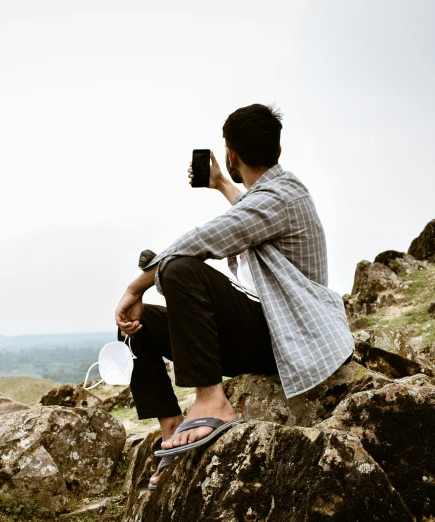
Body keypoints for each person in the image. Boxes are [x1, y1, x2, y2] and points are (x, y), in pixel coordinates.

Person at [114, 104, 354, 489]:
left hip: (285, 336)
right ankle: (170, 426)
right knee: (136, 326)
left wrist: (134, 287)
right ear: (277, 150)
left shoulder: (282, 197)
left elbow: (205, 239)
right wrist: (224, 184)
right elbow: (251, 211)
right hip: (262, 331)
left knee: (179, 268)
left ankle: (212, 401)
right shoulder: (275, 195)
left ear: (231, 153)